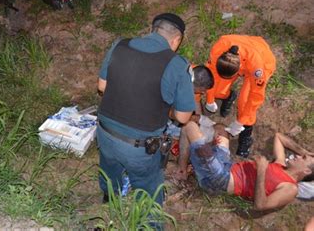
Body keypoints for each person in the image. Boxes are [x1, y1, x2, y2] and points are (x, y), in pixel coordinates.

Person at [96, 13, 195, 207]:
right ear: (177, 40)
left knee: (110, 166)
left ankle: (110, 197)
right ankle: (148, 223)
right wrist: (167, 111)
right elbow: (183, 117)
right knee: (149, 186)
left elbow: (101, 86)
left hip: (104, 133)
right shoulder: (177, 65)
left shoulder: (120, 45)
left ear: (152, 30)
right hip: (138, 147)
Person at [176, 122, 314, 212]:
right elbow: (279, 137)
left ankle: (182, 171)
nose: (297, 156)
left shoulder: (291, 188)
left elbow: (260, 205)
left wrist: (261, 171)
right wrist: (305, 152)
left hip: (220, 179)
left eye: (302, 158)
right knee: (221, 129)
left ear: (307, 170)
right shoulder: (281, 164)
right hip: (227, 164)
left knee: (189, 127)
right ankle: (200, 159)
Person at [204, 35, 276, 158]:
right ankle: (229, 96)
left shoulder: (258, 69)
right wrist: (210, 99)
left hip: (263, 60)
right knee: (218, 91)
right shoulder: (218, 49)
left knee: (244, 103)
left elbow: (256, 97)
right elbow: (211, 73)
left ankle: (246, 135)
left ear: (238, 71)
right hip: (243, 56)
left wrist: (240, 122)